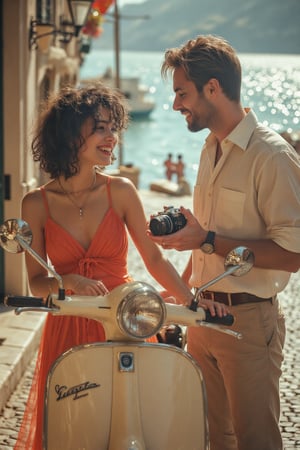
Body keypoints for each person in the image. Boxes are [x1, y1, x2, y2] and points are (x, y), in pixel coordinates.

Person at [15, 83, 228, 449]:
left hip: (124, 321)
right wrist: (67, 280)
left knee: (136, 421)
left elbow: (155, 259)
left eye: (114, 127)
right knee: (74, 430)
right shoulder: (36, 204)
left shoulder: (122, 191)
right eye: (100, 127)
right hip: (67, 326)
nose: (112, 137)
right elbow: (36, 282)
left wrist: (190, 301)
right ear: (69, 133)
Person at [148, 35, 300, 450]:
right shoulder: (209, 147)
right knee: (213, 438)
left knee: (256, 440)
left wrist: (209, 239)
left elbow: (293, 255)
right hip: (202, 317)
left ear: (212, 88)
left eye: (182, 93)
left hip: (248, 325)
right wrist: (183, 284)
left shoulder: (272, 157)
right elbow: (204, 238)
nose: (177, 104)